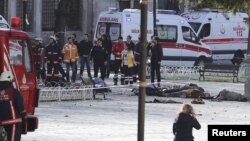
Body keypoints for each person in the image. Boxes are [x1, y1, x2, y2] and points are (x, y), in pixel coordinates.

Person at [0, 71, 26, 141]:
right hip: (14, 121)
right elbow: (20, 105)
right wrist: (24, 115)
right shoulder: (13, 91)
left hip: (3, 121)